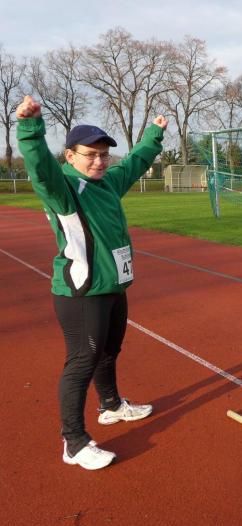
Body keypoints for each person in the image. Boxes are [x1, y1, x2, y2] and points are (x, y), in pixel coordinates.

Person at [16, 95, 168, 469]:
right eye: (91, 155)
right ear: (70, 156)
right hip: (83, 292)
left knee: (109, 351)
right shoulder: (64, 189)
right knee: (82, 362)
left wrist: (153, 134)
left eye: (104, 154)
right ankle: (74, 442)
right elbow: (40, 169)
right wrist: (31, 129)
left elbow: (134, 163)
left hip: (113, 287)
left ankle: (111, 406)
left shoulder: (108, 183)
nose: (100, 161)